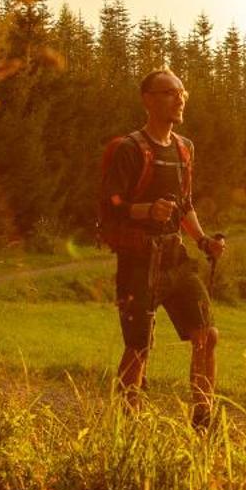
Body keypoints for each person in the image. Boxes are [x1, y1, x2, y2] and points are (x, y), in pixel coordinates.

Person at [98, 69, 225, 425]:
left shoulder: (185, 149)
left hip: (176, 257)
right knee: (139, 348)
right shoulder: (129, 149)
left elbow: (185, 204)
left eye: (183, 91)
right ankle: (128, 423)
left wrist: (202, 240)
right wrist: (147, 210)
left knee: (207, 335)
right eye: (170, 92)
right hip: (138, 259)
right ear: (148, 100)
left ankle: (203, 418)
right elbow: (111, 204)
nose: (179, 98)